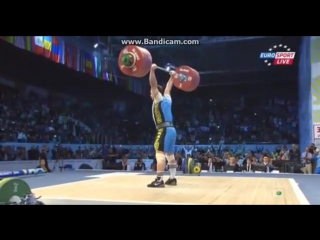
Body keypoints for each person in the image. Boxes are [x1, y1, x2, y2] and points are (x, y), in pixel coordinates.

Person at [147, 63, 177, 188]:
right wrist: (172, 77)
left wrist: (152, 70)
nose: (150, 93)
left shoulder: (158, 98)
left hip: (163, 129)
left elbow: (153, 84)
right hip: (172, 130)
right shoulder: (167, 99)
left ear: (155, 92)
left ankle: (159, 180)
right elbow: (168, 88)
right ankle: (172, 178)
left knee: (159, 153)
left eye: (151, 92)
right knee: (170, 154)